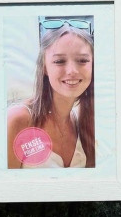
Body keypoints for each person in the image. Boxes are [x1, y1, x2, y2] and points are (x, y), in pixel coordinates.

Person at [5, 20, 96, 169]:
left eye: (82, 60)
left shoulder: (84, 123)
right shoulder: (18, 120)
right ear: (44, 67)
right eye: (59, 61)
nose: (72, 70)